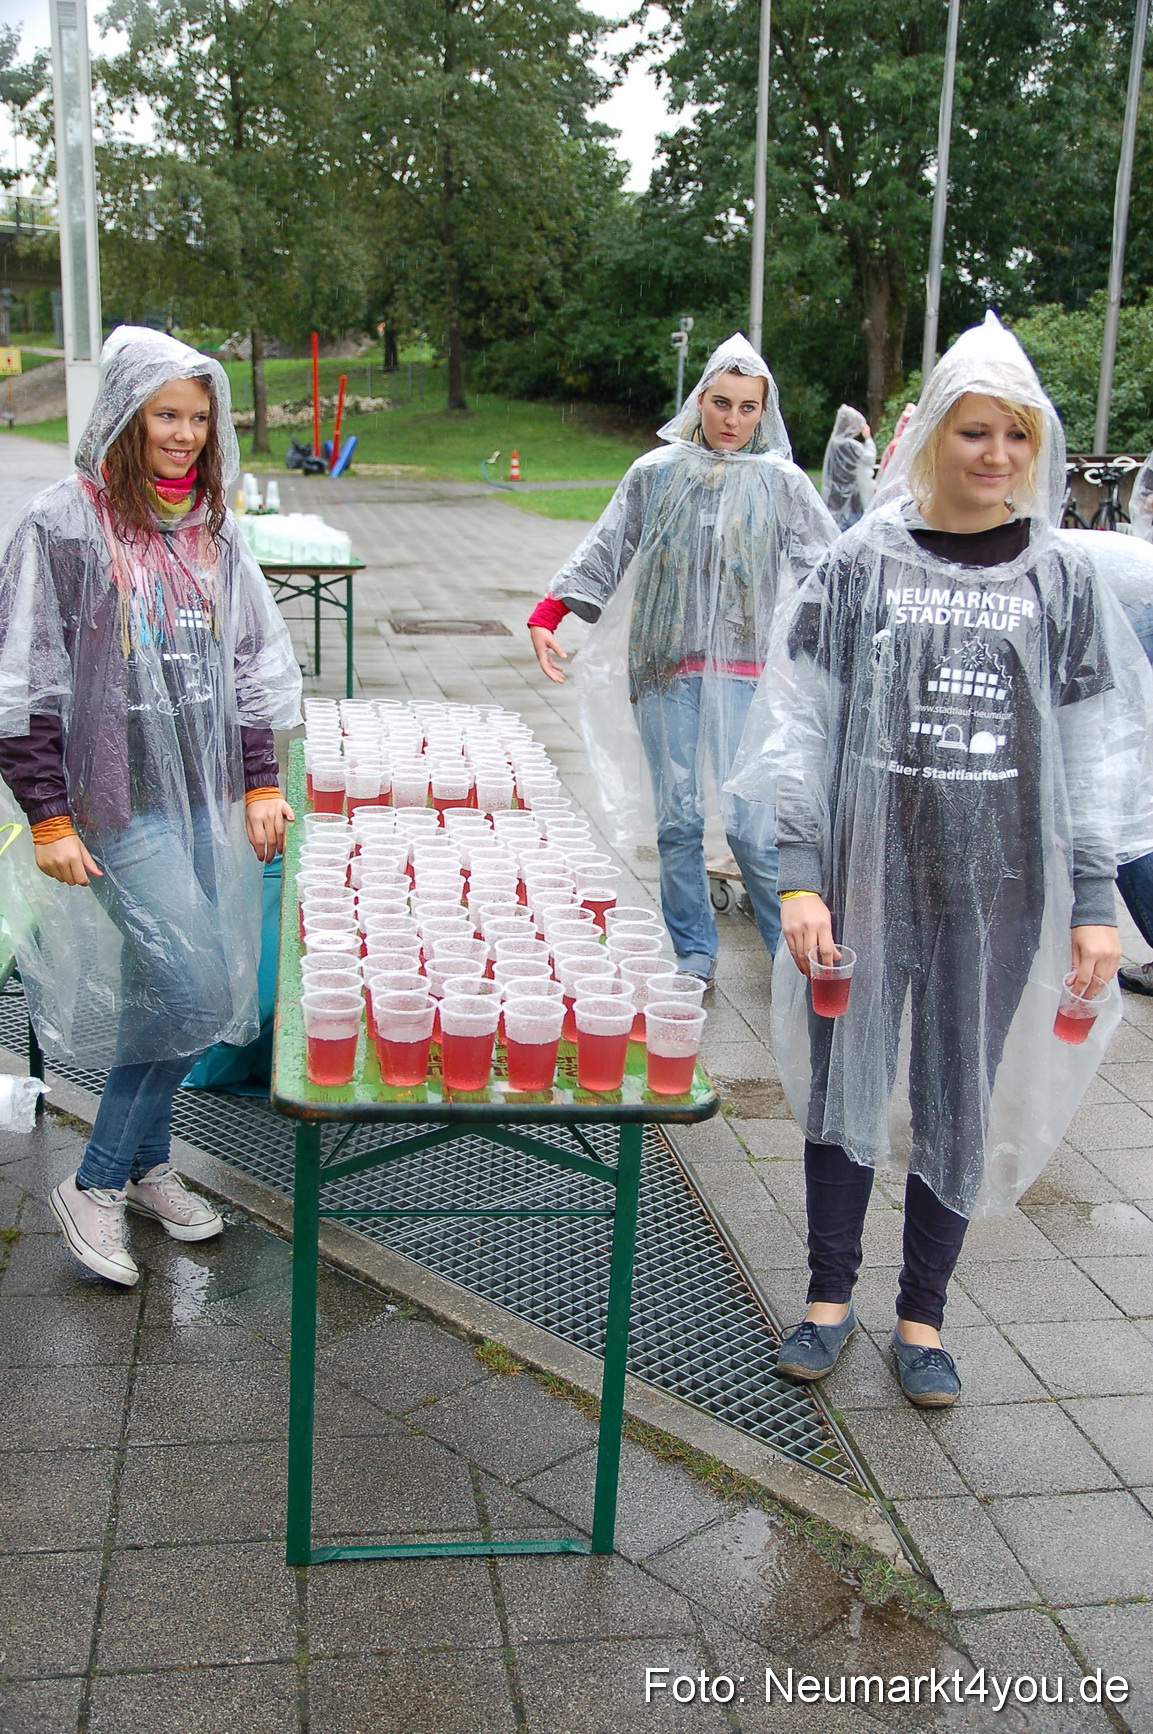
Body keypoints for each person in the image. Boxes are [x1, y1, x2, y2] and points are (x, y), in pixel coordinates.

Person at [728, 313, 1153, 1406]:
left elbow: (1097, 754)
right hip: (865, 882)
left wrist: (1094, 902)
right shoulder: (858, 565)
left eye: (1015, 434)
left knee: (957, 1094)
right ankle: (828, 1297)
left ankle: (923, 1315)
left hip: (997, 894)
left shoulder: (1061, 581)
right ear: (932, 439)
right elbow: (799, 727)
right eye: (973, 432)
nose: (995, 455)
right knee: (845, 1084)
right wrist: (800, 875)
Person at [0, 326, 302, 1286]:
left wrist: (261, 779)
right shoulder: (62, 524)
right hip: (114, 803)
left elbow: (247, 665)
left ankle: (146, 1165)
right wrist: (48, 815)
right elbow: (22, 680)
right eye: (164, 415)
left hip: (200, 797)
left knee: (161, 988)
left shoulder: (210, 528)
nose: (182, 435)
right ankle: (94, 1182)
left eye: (198, 419)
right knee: (197, 989)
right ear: (124, 417)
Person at [527, 333, 836, 983]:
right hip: (666, 665)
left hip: (746, 673)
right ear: (700, 400)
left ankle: (788, 956)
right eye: (721, 403)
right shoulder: (656, 473)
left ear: (764, 412)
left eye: (747, 407)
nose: (732, 420)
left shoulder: (781, 483)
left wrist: (847, 645)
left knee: (753, 827)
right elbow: (609, 545)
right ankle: (694, 950)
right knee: (678, 819)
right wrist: (550, 612)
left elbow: (828, 572)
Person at [820, 404, 876, 530]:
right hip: (854, 499)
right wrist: (868, 438)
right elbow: (869, 458)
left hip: (834, 496)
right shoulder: (851, 445)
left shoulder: (833, 443)